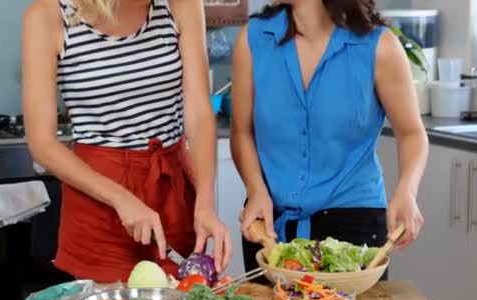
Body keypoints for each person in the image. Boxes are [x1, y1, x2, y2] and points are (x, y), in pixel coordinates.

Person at [22, 0, 231, 282]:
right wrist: (120, 198)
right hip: (99, 200)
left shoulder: (180, 5)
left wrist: (205, 202)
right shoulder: (48, 17)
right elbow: (41, 142)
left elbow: (199, 111)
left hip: (172, 193)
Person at [231, 0, 429, 274]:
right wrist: (255, 189)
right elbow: (241, 132)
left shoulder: (378, 46)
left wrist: (408, 190)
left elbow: (412, 134)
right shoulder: (254, 40)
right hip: (269, 229)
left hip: (354, 228)